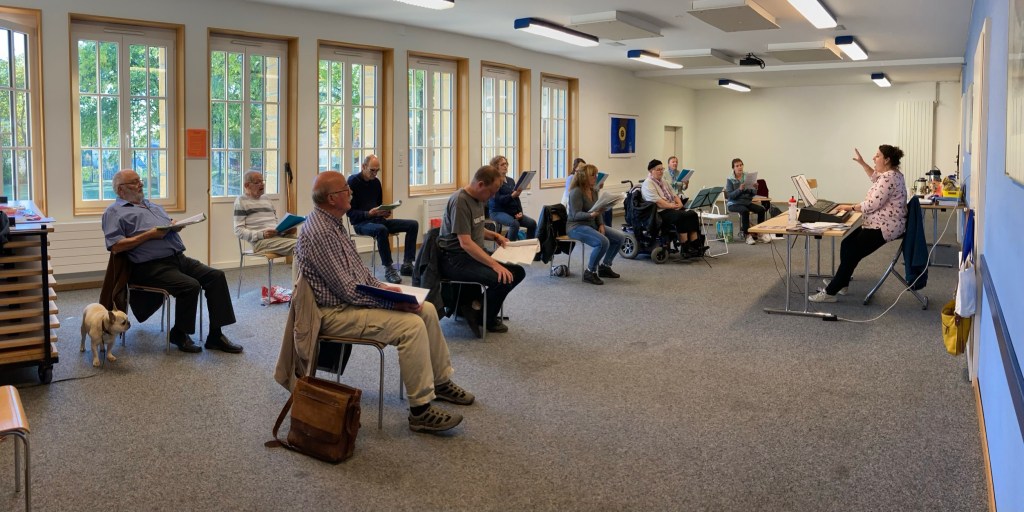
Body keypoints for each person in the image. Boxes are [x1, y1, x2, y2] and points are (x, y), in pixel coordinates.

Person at [295, 171, 474, 434]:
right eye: (345, 189)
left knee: (426, 309)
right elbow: (348, 291)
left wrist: (387, 289)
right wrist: (393, 304)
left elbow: (360, 275)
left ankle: (440, 381)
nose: (351, 192)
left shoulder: (333, 223)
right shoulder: (320, 232)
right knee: (410, 326)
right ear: (332, 198)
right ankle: (420, 411)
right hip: (333, 313)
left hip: (349, 303)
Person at [102, 169, 243, 354]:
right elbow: (115, 246)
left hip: (178, 258)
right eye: (134, 182)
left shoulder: (152, 206)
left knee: (216, 276)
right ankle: (179, 333)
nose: (141, 184)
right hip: (148, 267)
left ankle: (216, 336)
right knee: (190, 286)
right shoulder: (114, 212)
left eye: (140, 180)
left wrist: (174, 225)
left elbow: (166, 224)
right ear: (121, 190)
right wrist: (149, 235)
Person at [810, 145, 908, 302]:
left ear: (887, 160)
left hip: (884, 227)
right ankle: (842, 284)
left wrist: (848, 207)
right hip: (880, 223)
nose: (874, 158)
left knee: (852, 251)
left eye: (877, 156)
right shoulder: (892, 174)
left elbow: (871, 205)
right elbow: (875, 177)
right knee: (847, 244)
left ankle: (830, 292)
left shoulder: (888, 178)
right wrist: (862, 163)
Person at [438, 165, 526, 336]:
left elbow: (476, 227)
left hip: (473, 254)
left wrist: (495, 236)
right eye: (491, 192)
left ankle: (476, 308)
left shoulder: (478, 198)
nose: (492, 196)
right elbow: (465, 243)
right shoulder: (460, 201)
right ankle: (485, 318)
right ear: (480, 185)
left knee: (518, 272)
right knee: (502, 279)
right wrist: (494, 264)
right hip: (455, 259)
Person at [346, 154, 419, 284]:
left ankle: (407, 264)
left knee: (413, 224)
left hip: (378, 220)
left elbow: (378, 204)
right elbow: (350, 212)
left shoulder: (376, 183)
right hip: (361, 223)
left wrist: (384, 212)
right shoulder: (353, 182)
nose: (375, 174)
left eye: (377, 170)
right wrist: (368, 214)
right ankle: (388, 268)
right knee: (381, 230)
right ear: (363, 166)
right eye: (372, 170)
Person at [233, 170, 298, 283]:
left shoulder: (266, 199)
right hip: (260, 242)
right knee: (301, 246)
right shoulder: (241, 201)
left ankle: (309, 286)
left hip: (278, 237)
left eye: (262, 181)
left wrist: (286, 230)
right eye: (257, 182)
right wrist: (261, 234)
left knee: (311, 242)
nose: (262, 184)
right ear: (247, 185)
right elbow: (238, 230)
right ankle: (298, 288)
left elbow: (274, 224)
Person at [566, 164, 624, 285]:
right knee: (603, 242)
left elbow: (598, 209)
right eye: (593, 175)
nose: (596, 178)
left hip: (591, 224)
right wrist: (591, 214)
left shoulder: (593, 190)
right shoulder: (576, 192)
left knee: (620, 237)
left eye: (596, 175)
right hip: (576, 226)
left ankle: (605, 267)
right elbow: (575, 215)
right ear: (584, 177)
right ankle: (590, 271)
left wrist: (601, 224)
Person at [641, 159, 707, 258]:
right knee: (682, 216)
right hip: (660, 211)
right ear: (651, 171)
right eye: (658, 170)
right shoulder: (648, 183)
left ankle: (695, 245)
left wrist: (679, 203)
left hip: (671, 207)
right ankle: (685, 247)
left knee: (692, 214)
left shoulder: (663, 181)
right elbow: (658, 202)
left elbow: (674, 194)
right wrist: (672, 206)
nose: (661, 171)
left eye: (662, 169)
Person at [487, 155, 537, 240]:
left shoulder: (510, 180)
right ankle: (510, 246)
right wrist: (512, 196)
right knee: (514, 224)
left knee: (532, 223)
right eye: (502, 164)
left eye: (506, 164)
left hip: (510, 211)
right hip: (497, 211)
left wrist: (520, 212)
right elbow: (498, 200)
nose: (505, 166)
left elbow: (516, 199)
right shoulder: (493, 181)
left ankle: (529, 245)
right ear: (496, 167)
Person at [725, 158, 770, 245]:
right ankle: (747, 235)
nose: (740, 167)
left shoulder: (747, 176)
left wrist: (755, 188)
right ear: (733, 168)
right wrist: (739, 190)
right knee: (745, 211)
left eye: (741, 165)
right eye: (737, 166)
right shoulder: (730, 179)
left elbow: (752, 194)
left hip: (746, 202)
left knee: (761, 209)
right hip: (734, 203)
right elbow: (730, 196)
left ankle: (760, 233)